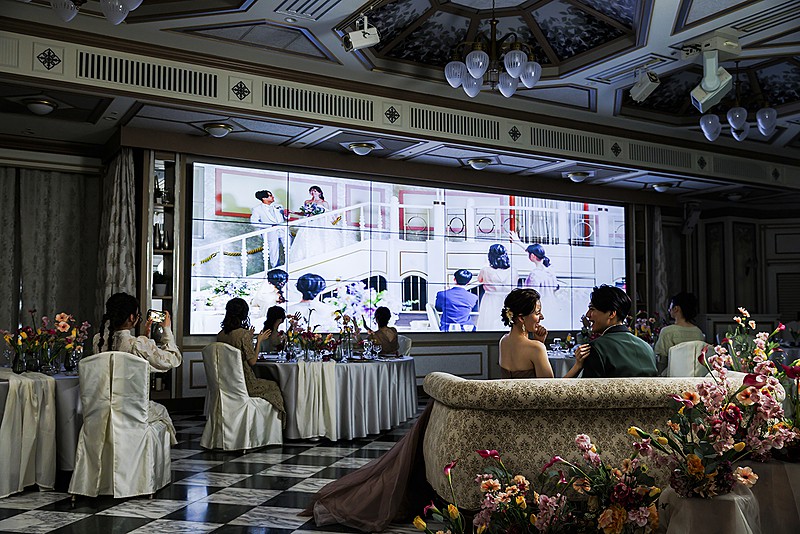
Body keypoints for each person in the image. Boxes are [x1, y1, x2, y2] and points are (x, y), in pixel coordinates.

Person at [93, 292, 182, 443]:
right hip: (132, 411)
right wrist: (167, 330)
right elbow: (172, 360)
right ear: (132, 317)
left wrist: (145, 338)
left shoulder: (98, 340)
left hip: (104, 408)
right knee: (162, 411)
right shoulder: (138, 344)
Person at [216, 298, 286, 424]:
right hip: (244, 383)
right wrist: (259, 341)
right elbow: (252, 361)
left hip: (227, 382)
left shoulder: (221, 334)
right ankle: (272, 426)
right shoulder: (244, 334)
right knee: (275, 386)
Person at [499, 288, 586, 379]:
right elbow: (550, 387)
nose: (542, 317)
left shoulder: (503, 341)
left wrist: (539, 341)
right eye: (537, 313)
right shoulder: (536, 348)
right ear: (521, 318)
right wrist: (578, 365)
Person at [574, 285, 658, 378]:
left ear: (611, 314)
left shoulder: (596, 348)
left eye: (592, 309)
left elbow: (588, 387)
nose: (587, 314)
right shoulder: (647, 348)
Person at [654, 292, 705, 373]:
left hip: (672, 375)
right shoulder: (698, 332)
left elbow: (661, 360)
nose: (669, 309)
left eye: (670, 306)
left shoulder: (667, 332)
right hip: (695, 375)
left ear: (676, 308)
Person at [476, 244, 517, 331]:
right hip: (508, 299)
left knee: (488, 323)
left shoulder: (485, 270)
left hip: (490, 299)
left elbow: (479, 280)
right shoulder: (513, 271)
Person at [289, 186, 331, 264]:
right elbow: (304, 213)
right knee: (304, 239)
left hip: (319, 223)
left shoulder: (324, 203)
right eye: (311, 191)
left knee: (317, 239)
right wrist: (293, 212)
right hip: (308, 222)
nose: (313, 192)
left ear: (319, 192)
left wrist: (316, 214)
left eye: (315, 191)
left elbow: (327, 215)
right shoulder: (307, 202)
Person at [250, 190, 288, 268]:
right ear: (264, 198)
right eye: (270, 196)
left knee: (289, 246)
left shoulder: (279, 206)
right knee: (273, 251)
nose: (273, 197)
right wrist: (269, 226)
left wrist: (286, 215)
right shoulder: (257, 209)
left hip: (283, 230)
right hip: (271, 232)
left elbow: (284, 218)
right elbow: (254, 222)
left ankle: (290, 263)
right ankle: (275, 267)